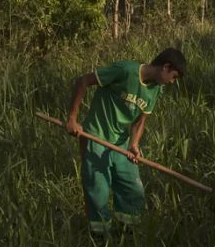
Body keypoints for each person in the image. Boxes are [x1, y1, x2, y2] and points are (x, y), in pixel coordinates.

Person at [65, 48, 187, 235]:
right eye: (174, 76)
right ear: (166, 67)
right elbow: (83, 81)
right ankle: (100, 236)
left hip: (120, 142)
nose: (172, 82)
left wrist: (134, 144)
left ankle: (127, 233)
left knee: (132, 189)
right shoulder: (125, 70)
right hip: (96, 136)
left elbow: (141, 119)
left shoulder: (155, 90)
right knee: (98, 190)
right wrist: (73, 119)